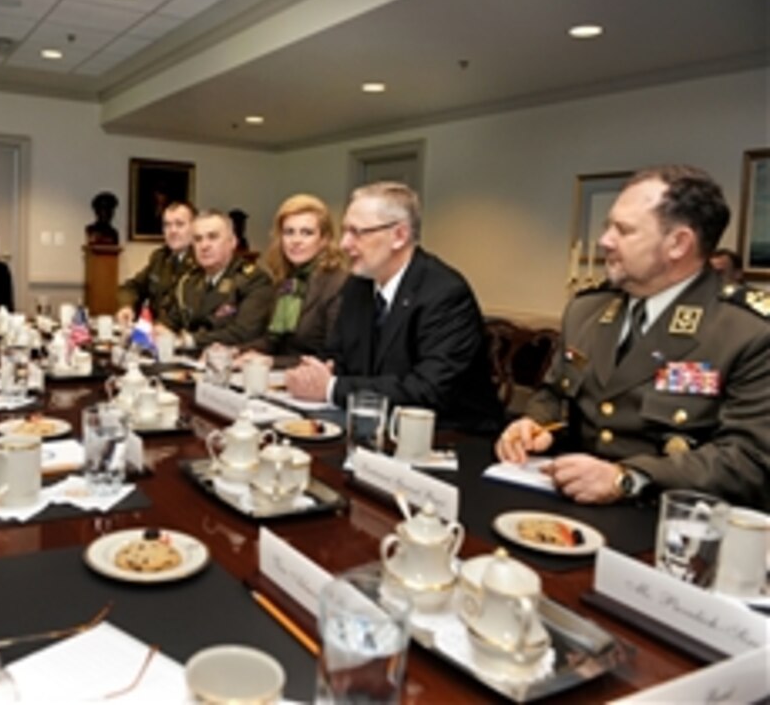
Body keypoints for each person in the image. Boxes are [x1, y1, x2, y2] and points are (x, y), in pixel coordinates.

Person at [496, 165, 770, 508]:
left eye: (623, 230)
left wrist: (627, 478)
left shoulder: (747, 331)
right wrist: (533, 424)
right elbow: (555, 394)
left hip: (672, 524)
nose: (605, 241)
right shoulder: (587, 311)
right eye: (607, 226)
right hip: (567, 505)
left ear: (678, 244)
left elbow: (749, 461)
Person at [285, 182, 502, 433]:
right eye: (345, 231)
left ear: (399, 235)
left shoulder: (444, 293)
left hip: (452, 438)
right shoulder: (358, 286)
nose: (344, 243)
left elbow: (428, 390)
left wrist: (332, 388)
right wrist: (312, 374)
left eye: (357, 232)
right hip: (373, 427)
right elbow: (337, 357)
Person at [237, 194, 348, 368]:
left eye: (307, 233)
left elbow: (333, 359)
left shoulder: (338, 284)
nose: (296, 241)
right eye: (289, 232)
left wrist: (272, 362)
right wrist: (235, 352)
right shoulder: (287, 280)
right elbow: (273, 341)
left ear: (324, 240)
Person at [162, 210, 274, 349]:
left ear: (232, 242)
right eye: (198, 239)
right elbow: (171, 321)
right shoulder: (189, 281)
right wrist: (158, 331)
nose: (204, 246)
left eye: (213, 237)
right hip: (189, 362)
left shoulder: (254, 280)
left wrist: (189, 340)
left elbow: (244, 332)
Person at [116, 201, 198, 327]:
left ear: (195, 227)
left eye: (179, 224)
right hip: (155, 335)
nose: (173, 231)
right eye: (167, 225)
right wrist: (127, 306)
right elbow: (132, 287)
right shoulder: (160, 258)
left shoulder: (202, 260)